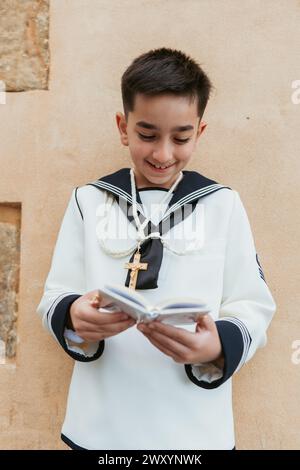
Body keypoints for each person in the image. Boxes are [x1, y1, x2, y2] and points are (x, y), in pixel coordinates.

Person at [36, 47, 276, 450]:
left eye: (180, 137)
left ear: (199, 133)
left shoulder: (223, 205)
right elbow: (53, 297)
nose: (163, 154)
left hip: (195, 429)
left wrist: (218, 344)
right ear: (123, 126)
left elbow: (253, 305)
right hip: (99, 426)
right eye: (147, 135)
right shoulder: (88, 201)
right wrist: (73, 316)